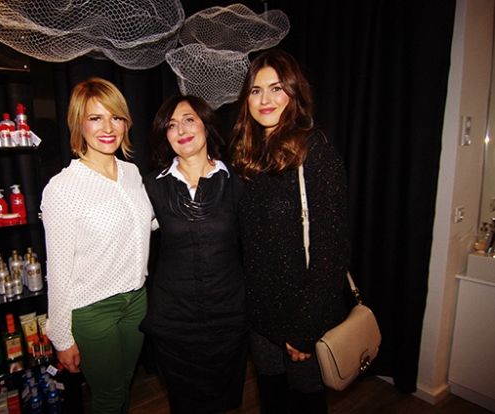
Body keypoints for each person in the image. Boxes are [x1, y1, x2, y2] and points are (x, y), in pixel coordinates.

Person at [231, 49, 350, 414]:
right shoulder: (249, 156)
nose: (264, 99)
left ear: (294, 93)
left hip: (303, 315)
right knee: (273, 401)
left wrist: (306, 328)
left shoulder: (315, 152)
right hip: (262, 317)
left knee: (306, 404)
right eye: (255, 90)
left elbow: (332, 250)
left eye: (276, 88)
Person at [40, 77, 153, 414]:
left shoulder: (132, 173)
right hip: (93, 310)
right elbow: (58, 270)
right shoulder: (63, 188)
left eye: (116, 117)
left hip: (136, 301)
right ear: (79, 123)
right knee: (108, 396)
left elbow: (142, 223)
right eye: (95, 118)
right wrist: (62, 337)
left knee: (124, 383)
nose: (108, 128)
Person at [141, 95, 248, 414]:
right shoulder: (151, 187)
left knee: (225, 402)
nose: (181, 130)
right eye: (171, 125)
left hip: (228, 317)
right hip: (174, 322)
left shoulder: (238, 181)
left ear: (206, 125)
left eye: (189, 120)